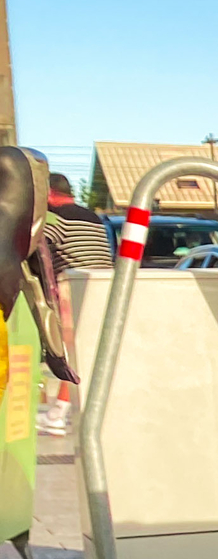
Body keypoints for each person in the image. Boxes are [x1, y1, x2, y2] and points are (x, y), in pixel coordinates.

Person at [35, 175, 110, 437]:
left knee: (71, 354)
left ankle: (58, 414)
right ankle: (65, 410)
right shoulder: (93, 217)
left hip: (73, 287)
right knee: (86, 351)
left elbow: (33, 247)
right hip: (103, 285)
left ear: (48, 195)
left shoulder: (56, 219)